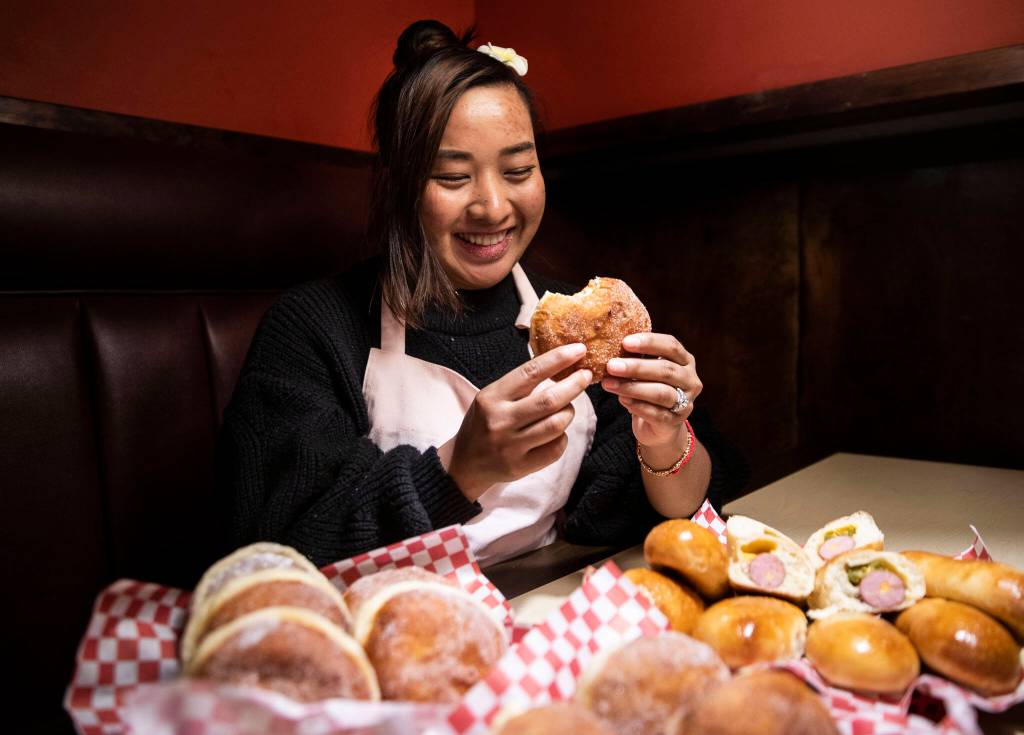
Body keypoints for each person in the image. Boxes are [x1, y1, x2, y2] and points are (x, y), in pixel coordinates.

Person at [218, 20, 747, 568]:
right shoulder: (313, 328)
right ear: (401, 184)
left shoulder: (572, 323)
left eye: (518, 169)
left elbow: (648, 513)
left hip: (541, 618)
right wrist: (458, 469)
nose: (492, 207)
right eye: (452, 177)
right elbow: (275, 553)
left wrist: (663, 437)